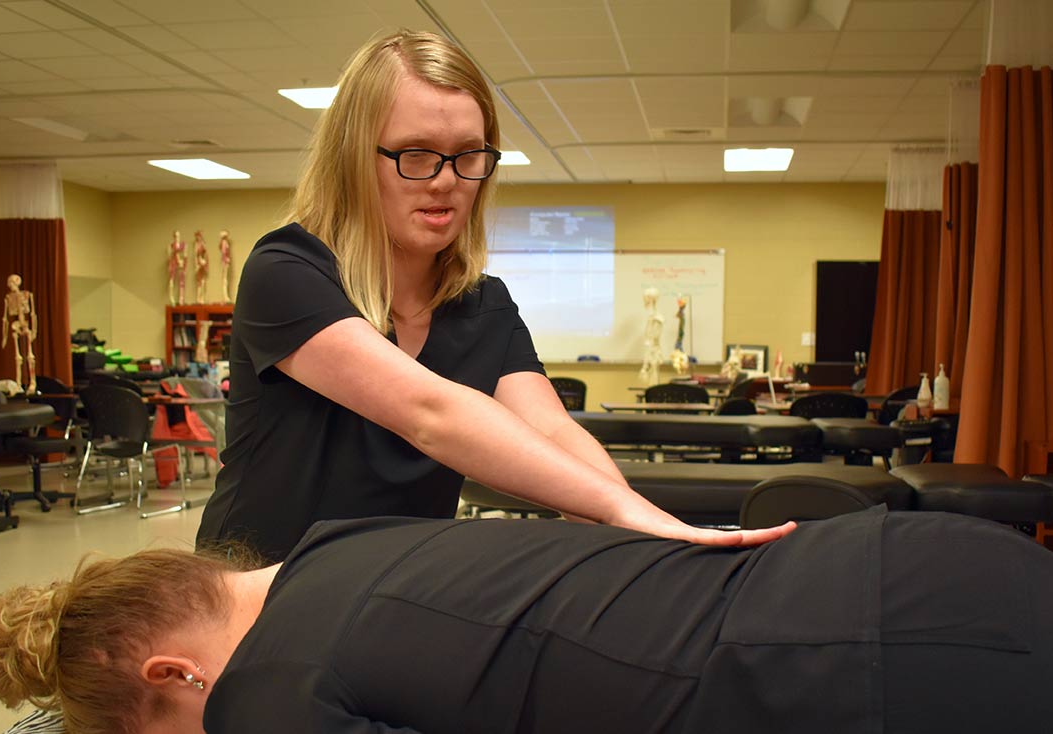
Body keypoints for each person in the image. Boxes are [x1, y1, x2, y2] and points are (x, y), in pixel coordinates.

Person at [195, 29, 793, 562]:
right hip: (257, 588)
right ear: (355, 157)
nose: (447, 180)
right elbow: (431, 415)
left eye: (468, 155)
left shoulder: (483, 304)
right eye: (416, 154)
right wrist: (622, 513)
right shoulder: (289, 271)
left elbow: (553, 434)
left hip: (384, 589)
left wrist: (645, 536)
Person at [0, 510, 1053, 734]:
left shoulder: (262, 699)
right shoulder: (339, 547)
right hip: (913, 569)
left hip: (856, 679)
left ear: (172, 671)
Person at [1, 273, 37, 395]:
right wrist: (4, 336)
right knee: (18, 357)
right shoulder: (8, 298)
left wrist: (34, 331)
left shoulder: (27, 295)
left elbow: (33, 314)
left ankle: (32, 382)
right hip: (16, 326)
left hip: (26, 325)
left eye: (11, 283)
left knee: (30, 356)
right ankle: (18, 383)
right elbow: (5, 318)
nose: (10, 286)